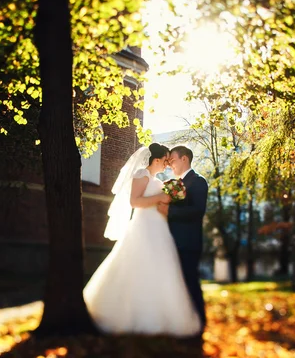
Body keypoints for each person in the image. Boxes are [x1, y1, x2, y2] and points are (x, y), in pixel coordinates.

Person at [83, 143, 202, 336]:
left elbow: (160, 201)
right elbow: (135, 201)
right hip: (143, 226)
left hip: (159, 226)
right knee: (137, 267)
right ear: (156, 160)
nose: (167, 165)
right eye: (165, 161)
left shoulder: (157, 179)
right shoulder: (142, 174)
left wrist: (169, 198)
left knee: (161, 269)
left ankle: (163, 315)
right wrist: (161, 197)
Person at [158, 145, 208, 329]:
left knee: (190, 281)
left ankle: (200, 323)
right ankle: (184, 323)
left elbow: (197, 211)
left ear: (184, 159)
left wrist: (168, 210)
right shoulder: (173, 183)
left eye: (172, 160)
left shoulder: (198, 181)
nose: (170, 165)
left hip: (188, 242)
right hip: (172, 241)